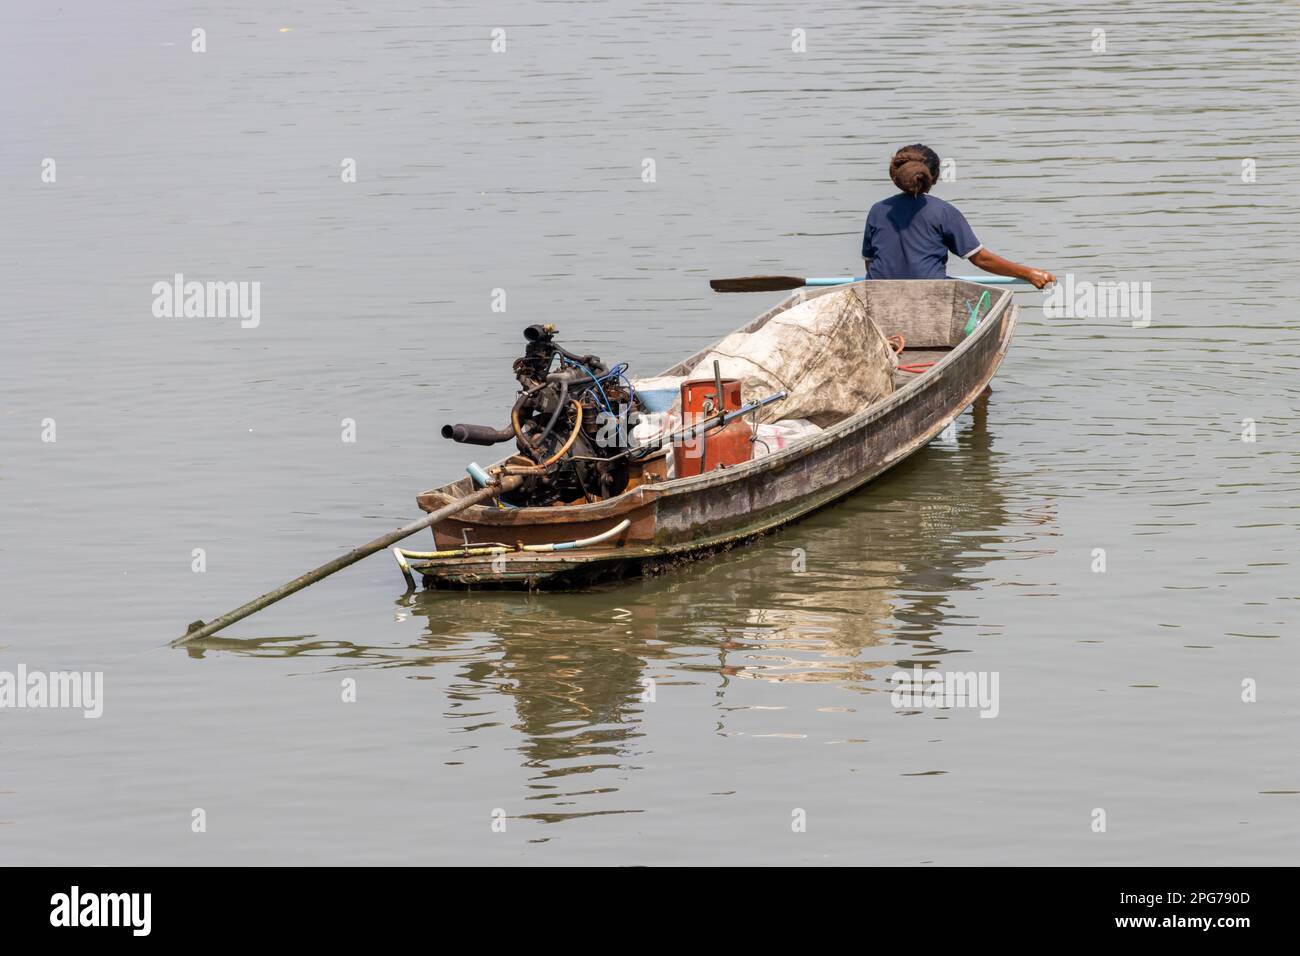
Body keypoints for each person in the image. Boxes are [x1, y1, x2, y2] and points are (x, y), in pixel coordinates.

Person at [862, 145, 1055, 289]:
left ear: (895, 176)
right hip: (931, 294)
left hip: (880, 293)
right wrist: (1029, 273)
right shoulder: (944, 211)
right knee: (991, 307)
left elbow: (869, 264)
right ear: (935, 177)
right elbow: (982, 260)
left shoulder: (877, 211)